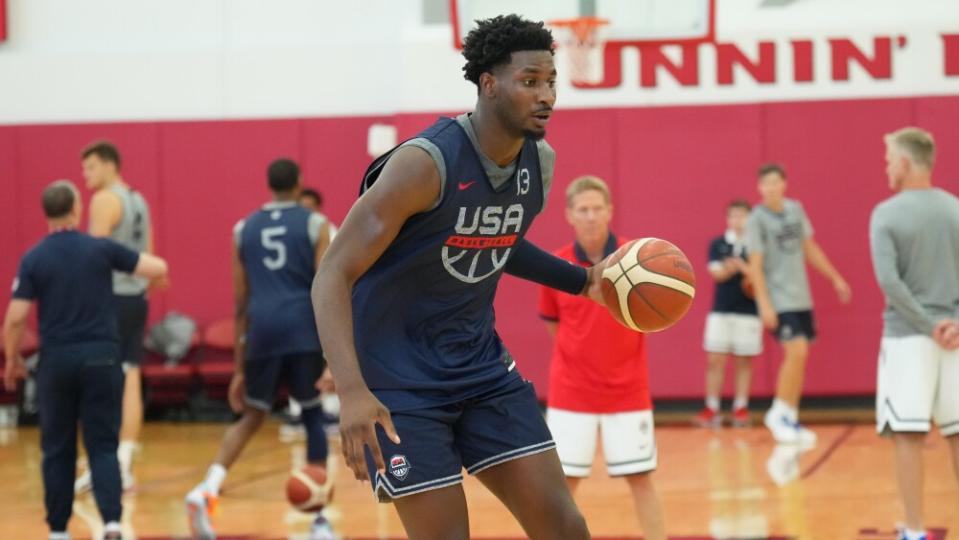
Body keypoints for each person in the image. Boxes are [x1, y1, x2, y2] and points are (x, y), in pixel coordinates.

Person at [311, 14, 602, 539]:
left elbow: (498, 242)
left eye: (551, 82)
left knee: (565, 527)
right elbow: (332, 272)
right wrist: (351, 391)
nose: (547, 96)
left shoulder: (541, 163)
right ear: (489, 85)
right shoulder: (425, 164)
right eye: (530, 81)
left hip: (482, 371)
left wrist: (583, 282)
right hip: (400, 386)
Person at [3, 180, 167, 540]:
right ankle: (111, 522)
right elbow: (155, 266)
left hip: (57, 362)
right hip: (101, 359)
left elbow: (15, 317)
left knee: (57, 447)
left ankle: (59, 530)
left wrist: (12, 359)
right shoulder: (100, 249)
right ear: (76, 209)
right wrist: (156, 270)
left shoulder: (34, 257)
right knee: (103, 445)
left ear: (46, 213)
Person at [185, 159, 333, 539]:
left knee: (250, 416)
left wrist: (238, 368)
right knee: (313, 414)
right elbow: (327, 289)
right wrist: (332, 359)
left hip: (262, 331)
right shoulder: (316, 224)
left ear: (268, 185)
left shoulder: (243, 229)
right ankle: (319, 520)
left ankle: (208, 489)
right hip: (303, 329)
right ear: (299, 184)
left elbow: (239, 302)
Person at [539, 176, 666, 540]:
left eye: (597, 208)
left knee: (641, 479)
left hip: (628, 391)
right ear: (569, 215)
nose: (591, 216)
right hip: (571, 393)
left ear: (610, 211)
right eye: (583, 209)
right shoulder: (555, 266)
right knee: (564, 485)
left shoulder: (640, 260)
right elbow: (554, 326)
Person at [869, 127, 959, 540]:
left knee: (908, 433)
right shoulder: (955, 209)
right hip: (956, 338)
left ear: (904, 164)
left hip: (908, 338)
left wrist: (928, 325)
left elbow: (890, 282)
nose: (886, 165)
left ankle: (916, 530)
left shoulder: (886, 213)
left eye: (889, 158)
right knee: (957, 433)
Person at [745, 163, 851, 445]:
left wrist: (835, 277)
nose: (771, 188)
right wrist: (764, 305)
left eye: (775, 182)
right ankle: (778, 413)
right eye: (765, 183)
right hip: (778, 299)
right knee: (797, 351)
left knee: (801, 358)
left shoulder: (795, 210)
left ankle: (789, 414)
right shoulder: (756, 219)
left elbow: (810, 248)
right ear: (759, 188)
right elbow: (755, 265)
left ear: (784, 184)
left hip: (800, 296)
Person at [76, 140, 160, 492]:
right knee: (130, 378)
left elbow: (94, 256)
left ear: (110, 165)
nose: (85, 175)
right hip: (135, 298)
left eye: (91, 167)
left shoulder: (104, 199)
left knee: (97, 383)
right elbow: (150, 260)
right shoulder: (138, 200)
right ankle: (122, 464)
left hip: (108, 300)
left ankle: (103, 464)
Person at [695, 199, 761, 428]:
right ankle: (712, 406)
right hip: (721, 310)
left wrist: (742, 268)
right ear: (727, 219)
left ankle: (740, 406)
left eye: (742, 216)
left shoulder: (756, 245)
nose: (738, 220)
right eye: (733, 216)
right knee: (715, 359)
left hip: (749, 311)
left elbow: (760, 277)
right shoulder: (718, 244)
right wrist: (736, 268)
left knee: (744, 360)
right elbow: (717, 274)